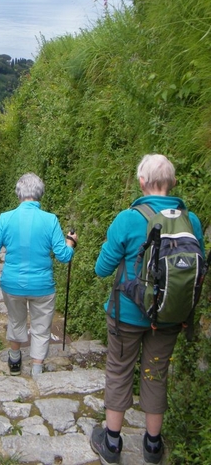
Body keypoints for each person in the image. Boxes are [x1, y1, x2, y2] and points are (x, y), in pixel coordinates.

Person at [91, 154, 205, 465]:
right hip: (169, 316)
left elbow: (102, 269)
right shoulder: (190, 221)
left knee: (119, 370)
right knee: (156, 374)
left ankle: (112, 443)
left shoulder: (127, 219)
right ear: (172, 183)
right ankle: (153, 446)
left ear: (142, 182)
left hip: (126, 315)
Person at [0, 172, 77, 378]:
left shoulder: (5, 219)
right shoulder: (50, 220)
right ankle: (37, 368)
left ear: (19, 194)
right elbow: (63, 256)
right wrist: (71, 242)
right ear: (39, 193)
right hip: (43, 285)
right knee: (41, 326)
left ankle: (15, 360)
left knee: (16, 320)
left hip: (12, 284)